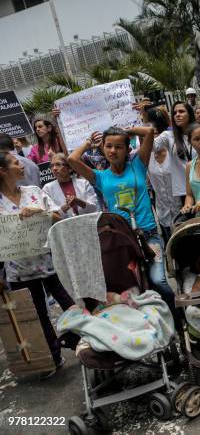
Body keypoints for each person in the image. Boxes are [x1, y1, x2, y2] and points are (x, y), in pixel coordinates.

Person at [67, 125, 176, 315]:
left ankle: (177, 317)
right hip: (121, 241)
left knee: (158, 280)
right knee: (130, 288)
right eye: (108, 146)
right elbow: (71, 160)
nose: (112, 151)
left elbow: (149, 132)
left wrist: (128, 130)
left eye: (118, 146)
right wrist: (87, 143)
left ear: (127, 149)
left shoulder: (139, 165)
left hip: (149, 237)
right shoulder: (99, 177)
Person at [0, 151, 75, 379]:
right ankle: (52, 358)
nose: (22, 166)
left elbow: (58, 218)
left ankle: (88, 344)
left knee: (69, 305)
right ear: (2, 171)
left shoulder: (33, 192)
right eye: (15, 163)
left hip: (48, 263)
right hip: (19, 271)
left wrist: (39, 212)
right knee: (38, 315)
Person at [153, 101, 200, 206]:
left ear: (190, 114)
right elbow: (152, 146)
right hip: (184, 192)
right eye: (174, 113)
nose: (177, 115)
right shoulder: (168, 136)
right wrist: (146, 120)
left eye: (181, 111)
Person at [147, 108, 183, 240]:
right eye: (150, 136)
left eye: (156, 134)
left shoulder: (175, 152)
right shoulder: (145, 157)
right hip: (163, 213)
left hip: (182, 209)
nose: (154, 138)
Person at [42, 153, 98, 218]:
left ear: (69, 168)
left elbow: (94, 208)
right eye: (52, 166)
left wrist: (78, 201)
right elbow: (49, 215)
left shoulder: (84, 183)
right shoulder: (47, 188)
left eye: (58, 164)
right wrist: (67, 206)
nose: (54, 168)